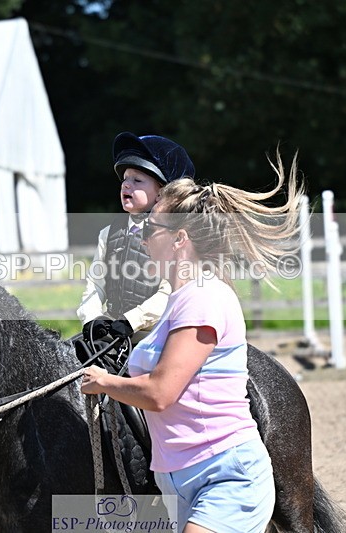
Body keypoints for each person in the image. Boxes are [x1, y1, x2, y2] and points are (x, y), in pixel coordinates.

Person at [80, 151, 304, 533]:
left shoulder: (203, 298)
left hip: (223, 476)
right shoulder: (180, 299)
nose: (143, 238)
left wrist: (104, 382)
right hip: (179, 480)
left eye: (151, 230)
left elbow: (160, 394)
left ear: (179, 239)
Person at [77, 132, 195, 342]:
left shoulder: (171, 236)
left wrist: (131, 321)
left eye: (137, 180)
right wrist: (92, 318)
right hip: (113, 331)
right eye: (125, 179)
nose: (126, 185)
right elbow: (95, 283)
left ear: (161, 193)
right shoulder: (108, 233)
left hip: (155, 334)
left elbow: (169, 290)